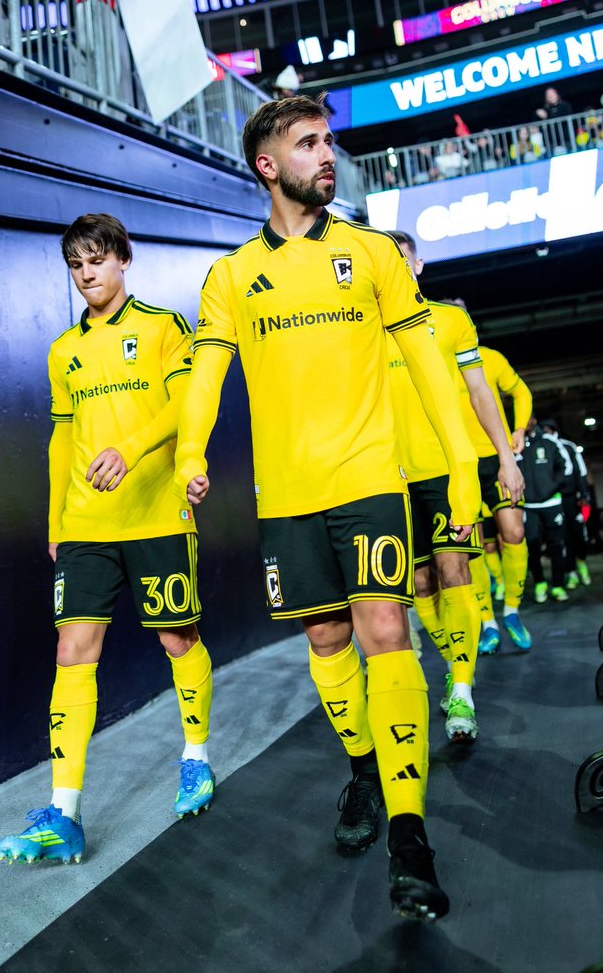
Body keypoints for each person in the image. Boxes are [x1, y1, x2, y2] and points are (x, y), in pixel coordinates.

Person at [174, 94, 481, 922]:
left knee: (387, 627)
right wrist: (192, 447)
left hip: (371, 479)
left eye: (328, 140)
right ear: (269, 165)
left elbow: (428, 363)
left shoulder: (374, 253)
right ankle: (367, 771)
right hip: (289, 497)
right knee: (327, 635)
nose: (327, 154)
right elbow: (207, 370)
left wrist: (462, 466)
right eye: (309, 143)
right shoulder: (232, 275)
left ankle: (411, 837)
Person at [0, 213, 214, 865]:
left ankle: (196, 757)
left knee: (177, 639)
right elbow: (63, 439)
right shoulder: (64, 350)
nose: (87, 272)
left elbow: (185, 405)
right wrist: (57, 522)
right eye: (76, 264)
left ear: (124, 259)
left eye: (98, 259)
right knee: (73, 651)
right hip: (89, 525)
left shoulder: (162, 327)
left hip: (155, 515)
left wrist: (136, 448)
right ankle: (63, 814)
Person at [388, 243, 525, 744]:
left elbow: (481, 392)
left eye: (404, 258)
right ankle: (454, 664)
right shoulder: (361, 325)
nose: (398, 267)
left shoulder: (448, 320)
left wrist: (506, 457)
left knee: (455, 569)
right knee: (420, 584)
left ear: (418, 265)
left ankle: (463, 688)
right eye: (389, 259)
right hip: (388, 478)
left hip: (446, 471)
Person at [456, 342, 533, 653]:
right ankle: (487, 623)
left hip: (496, 459)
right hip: (458, 464)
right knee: (473, 546)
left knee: (514, 532)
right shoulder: (431, 360)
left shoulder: (489, 358)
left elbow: (522, 392)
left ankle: (512, 612)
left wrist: (519, 430)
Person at [517, 417, 570, 603]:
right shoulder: (515, 443)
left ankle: (557, 585)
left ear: (533, 419)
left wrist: (552, 487)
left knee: (556, 545)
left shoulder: (549, 441)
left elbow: (566, 467)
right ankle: (540, 583)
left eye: (526, 417)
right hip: (528, 506)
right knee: (531, 545)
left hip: (551, 503)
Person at [540, 421, 591, 589]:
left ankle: (581, 563)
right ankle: (571, 573)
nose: (545, 433)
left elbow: (580, 471)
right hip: (555, 499)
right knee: (562, 538)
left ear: (554, 430)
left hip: (571, 498)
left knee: (578, 534)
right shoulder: (543, 449)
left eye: (548, 430)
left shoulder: (568, 446)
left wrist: (583, 494)